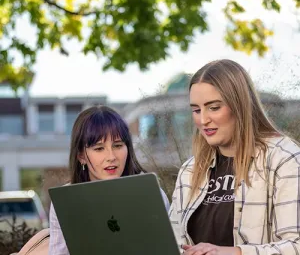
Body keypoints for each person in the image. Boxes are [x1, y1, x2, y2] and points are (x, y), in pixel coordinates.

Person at [169, 59, 300, 255]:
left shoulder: (284, 159)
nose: (203, 120)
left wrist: (233, 252)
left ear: (240, 105)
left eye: (214, 107)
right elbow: (172, 242)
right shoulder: (190, 171)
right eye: (196, 110)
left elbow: (296, 245)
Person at [49, 105, 170, 255]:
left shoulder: (152, 194)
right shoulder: (65, 202)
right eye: (99, 148)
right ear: (81, 156)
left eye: (118, 145)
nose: (111, 157)